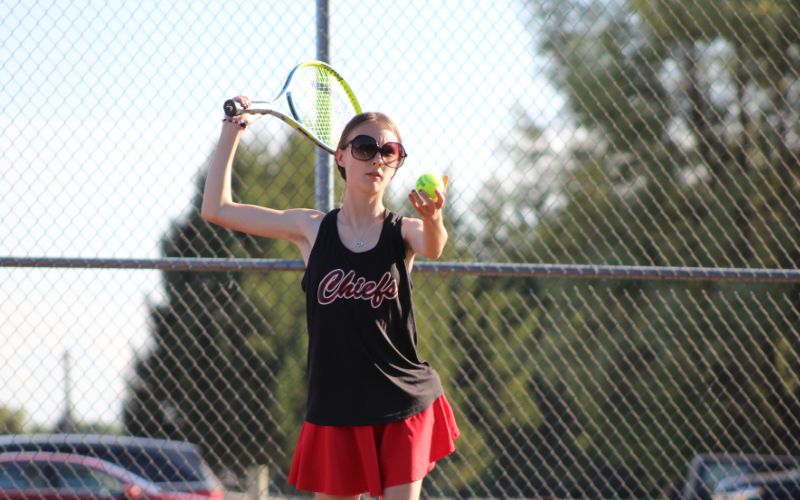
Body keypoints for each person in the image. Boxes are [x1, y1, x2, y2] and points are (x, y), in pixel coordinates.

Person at [202, 97, 460, 500]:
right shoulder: (311, 229)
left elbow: (433, 245)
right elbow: (217, 208)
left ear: (396, 163)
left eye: (388, 152)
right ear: (341, 157)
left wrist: (433, 218)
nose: (376, 158)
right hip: (336, 405)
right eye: (364, 148)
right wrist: (231, 130)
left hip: (401, 401)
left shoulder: (402, 232)